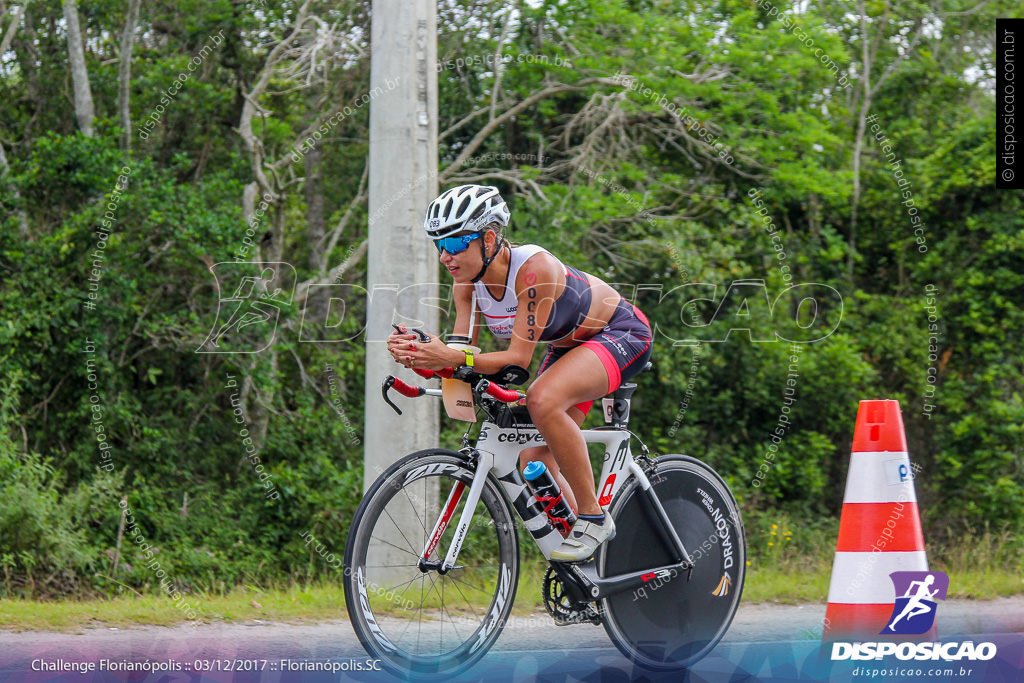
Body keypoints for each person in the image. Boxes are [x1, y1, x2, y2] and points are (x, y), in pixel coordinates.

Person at [386, 185, 653, 562]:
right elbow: (464, 355)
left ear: (489, 238)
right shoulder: (465, 282)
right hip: (568, 346)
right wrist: (426, 355)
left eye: (457, 242)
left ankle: (593, 518)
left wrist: (448, 356)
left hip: (622, 332)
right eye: (439, 245)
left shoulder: (533, 271)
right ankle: (602, 563)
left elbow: (516, 362)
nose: (446, 256)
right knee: (535, 459)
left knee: (543, 400)